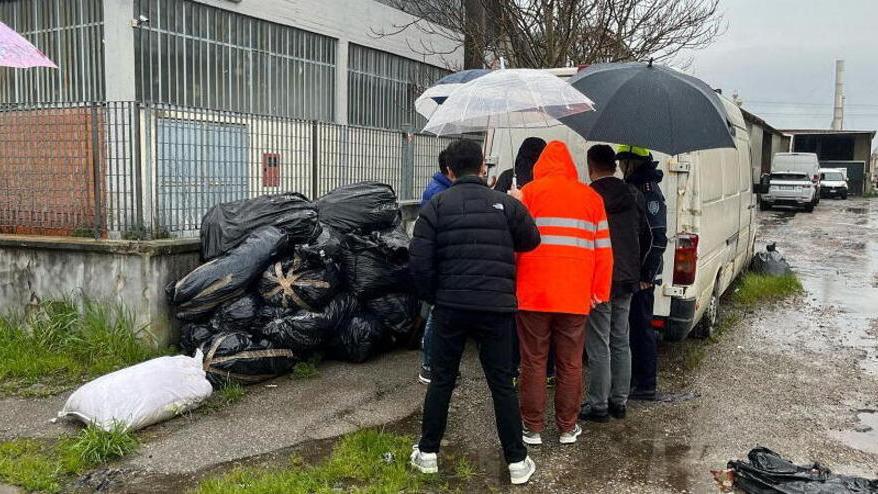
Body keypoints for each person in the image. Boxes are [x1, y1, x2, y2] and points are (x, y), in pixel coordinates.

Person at [408, 139, 541, 485]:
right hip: (496, 309)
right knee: (501, 384)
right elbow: (531, 241)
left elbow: (419, 264)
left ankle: (427, 454)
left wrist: (435, 296)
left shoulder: (434, 207)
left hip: (451, 307)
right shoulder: (505, 205)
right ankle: (516, 461)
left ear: (449, 171)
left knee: (442, 380)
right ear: (483, 167)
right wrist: (518, 204)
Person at [510, 140, 613, 445]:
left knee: (533, 360)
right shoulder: (592, 198)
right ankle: (568, 427)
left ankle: (532, 428)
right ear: (571, 166)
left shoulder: (527, 194)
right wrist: (599, 291)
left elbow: (514, 246)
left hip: (533, 294)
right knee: (570, 363)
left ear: (541, 165)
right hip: (574, 296)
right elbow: (604, 251)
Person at [579, 144, 648, 422]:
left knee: (598, 343)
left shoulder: (588, 196)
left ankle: (598, 405)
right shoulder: (633, 194)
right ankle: (619, 402)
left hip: (599, 276)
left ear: (590, 165)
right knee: (621, 339)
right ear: (616, 166)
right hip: (627, 277)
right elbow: (644, 235)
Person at [617, 144, 668, 402]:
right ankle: (636, 379)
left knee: (641, 327)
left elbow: (658, 238)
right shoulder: (636, 187)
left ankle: (646, 384)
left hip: (643, 276)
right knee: (633, 327)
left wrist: (647, 274)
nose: (620, 167)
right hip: (634, 273)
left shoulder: (648, 192)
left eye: (623, 162)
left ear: (632, 163)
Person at [417, 147, 452, 384]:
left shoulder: (439, 188)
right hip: (440, 260)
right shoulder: (439, 193)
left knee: (435, 313)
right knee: (435, 314)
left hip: (437, 259)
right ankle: (429, 365)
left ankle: (432, 363)